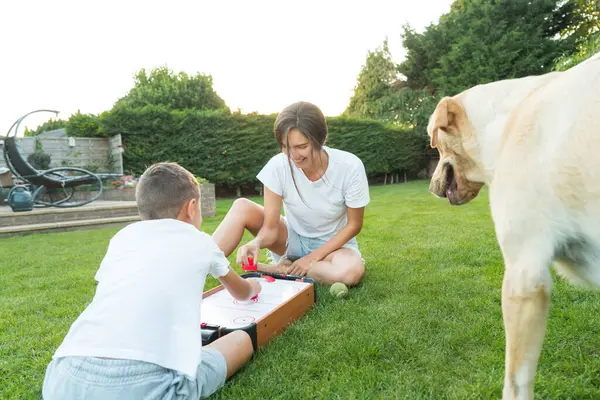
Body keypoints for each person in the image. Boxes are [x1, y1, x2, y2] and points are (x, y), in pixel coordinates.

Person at [42, 162, 262, 400]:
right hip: (143, 386)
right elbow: (242, 293)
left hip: (62, 378)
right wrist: (254, 285)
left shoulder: (122, 238)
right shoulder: (199, 241)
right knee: (241, 339)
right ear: (192, 207)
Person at [212, 101, 370, 286]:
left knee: (350, 273)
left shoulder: (350, 166)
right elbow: (270, 229)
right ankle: (198, 265)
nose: (293, 156)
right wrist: (256, 242)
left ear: (321, 139)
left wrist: (312, 258)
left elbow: (354, 226)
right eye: (286, 147)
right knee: (242, 207)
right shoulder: (277, 166)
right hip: (292, 240)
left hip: (335, 246)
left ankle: (283, 269)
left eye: (301, 146)